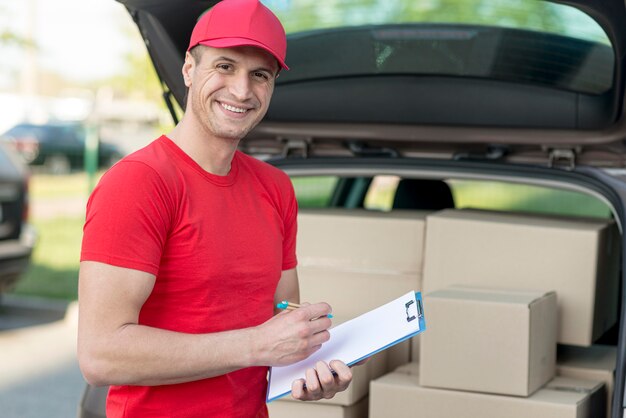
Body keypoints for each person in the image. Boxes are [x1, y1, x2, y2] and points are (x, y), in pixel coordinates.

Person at [77, 0, 354, 416]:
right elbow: (100, 355)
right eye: (224, 66)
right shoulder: (138, 183)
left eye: (259, 74)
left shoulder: (275, 187)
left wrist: (309, 365)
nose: (242, 90)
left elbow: (283, 316)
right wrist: (255, 345)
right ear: (189, 69)